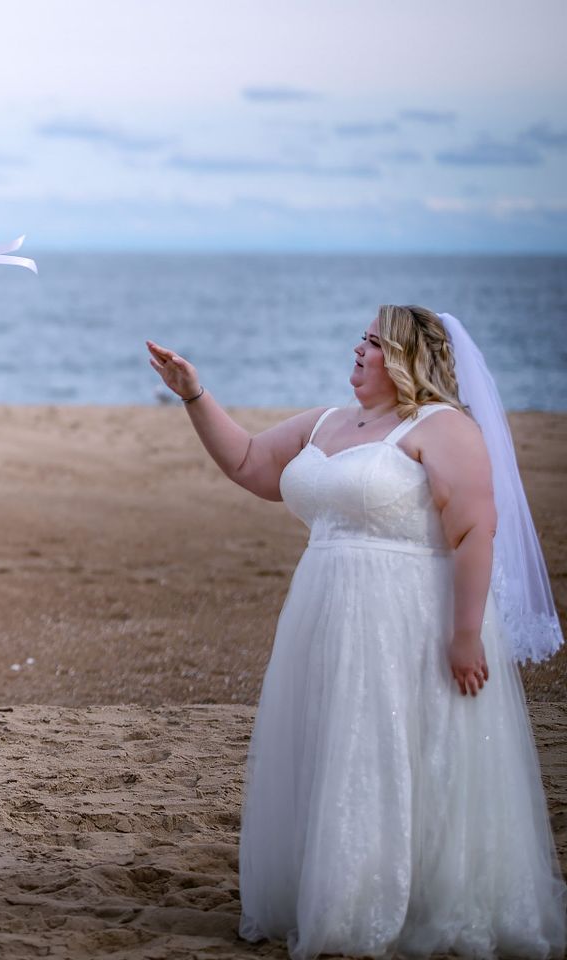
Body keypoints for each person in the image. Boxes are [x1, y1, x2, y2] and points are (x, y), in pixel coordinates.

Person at [147, 305, 566, 959]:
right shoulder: (327, 422)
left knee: (397, 751)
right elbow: (251, 463)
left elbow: (473, 532)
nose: (358, 348)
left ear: (405, 358)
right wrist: (194, 394)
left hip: (408, 619)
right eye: (361, 338)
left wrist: (465, 635)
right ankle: (338, 895)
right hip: (325, 612)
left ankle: (392, 905)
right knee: (336, 750)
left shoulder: (443, 428)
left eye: (373, 341)